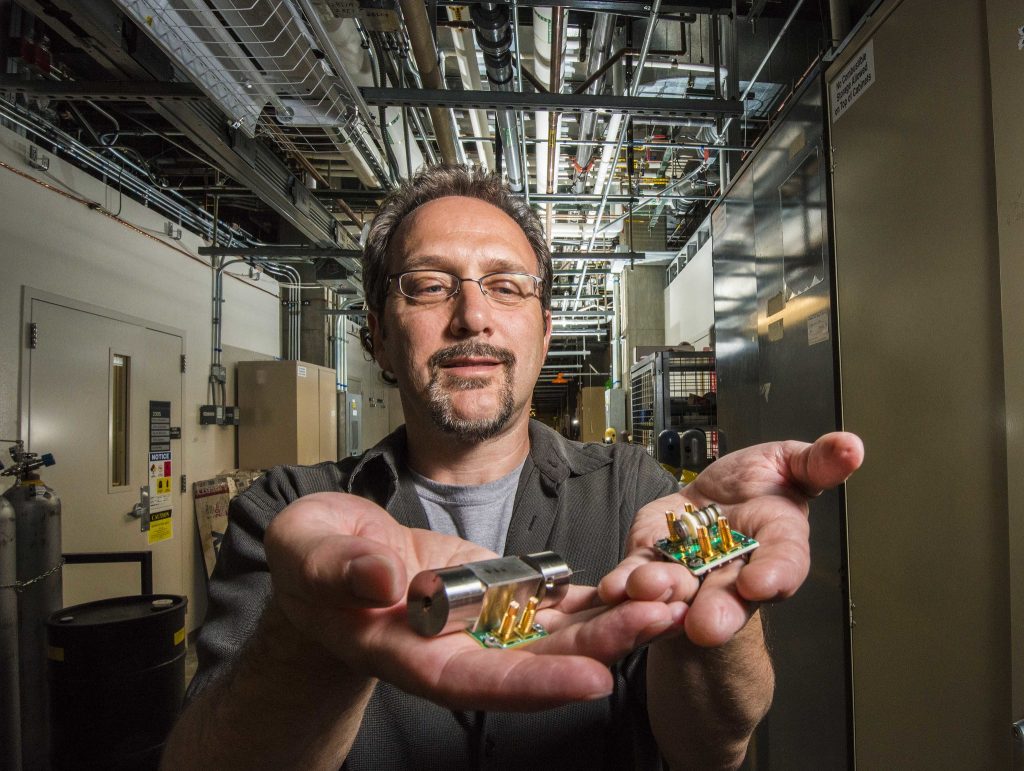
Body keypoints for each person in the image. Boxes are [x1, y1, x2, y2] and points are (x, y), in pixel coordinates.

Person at [161, 165, 863, 770]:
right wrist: (308, 631)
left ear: (545, 330)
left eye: (505, 285)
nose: (473, 314)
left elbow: (709, 752)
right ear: (376, 331)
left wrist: (719, 594)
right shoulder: (288, 514)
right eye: (429, 285)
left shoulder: (638, 498)